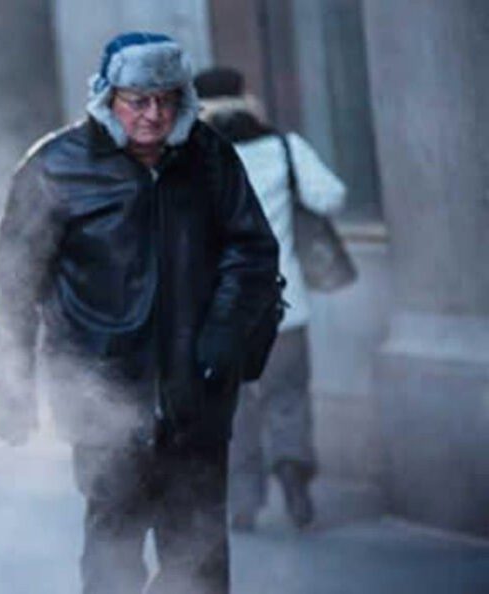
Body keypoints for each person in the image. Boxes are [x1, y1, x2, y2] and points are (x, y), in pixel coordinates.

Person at [0, 33, 279, 594]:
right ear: (107, 98)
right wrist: (13, 389)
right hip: (102, 398)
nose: (154, 115)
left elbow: (253, 252)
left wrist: (224, 331)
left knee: (200, 552)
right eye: (138, 100)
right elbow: (14, 288)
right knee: (113, 550)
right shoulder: (56, 165)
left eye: (167, 100)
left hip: (199, 390)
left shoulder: (209, 156)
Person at [194, 67, 347, 531]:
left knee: (234, 408)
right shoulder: (284, 148)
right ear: (246, 97)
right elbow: (332, 196)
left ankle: (243, 503)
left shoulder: (192, 160)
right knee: (288, 396)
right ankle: (292, 469)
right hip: (286, 306)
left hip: (219, 313)